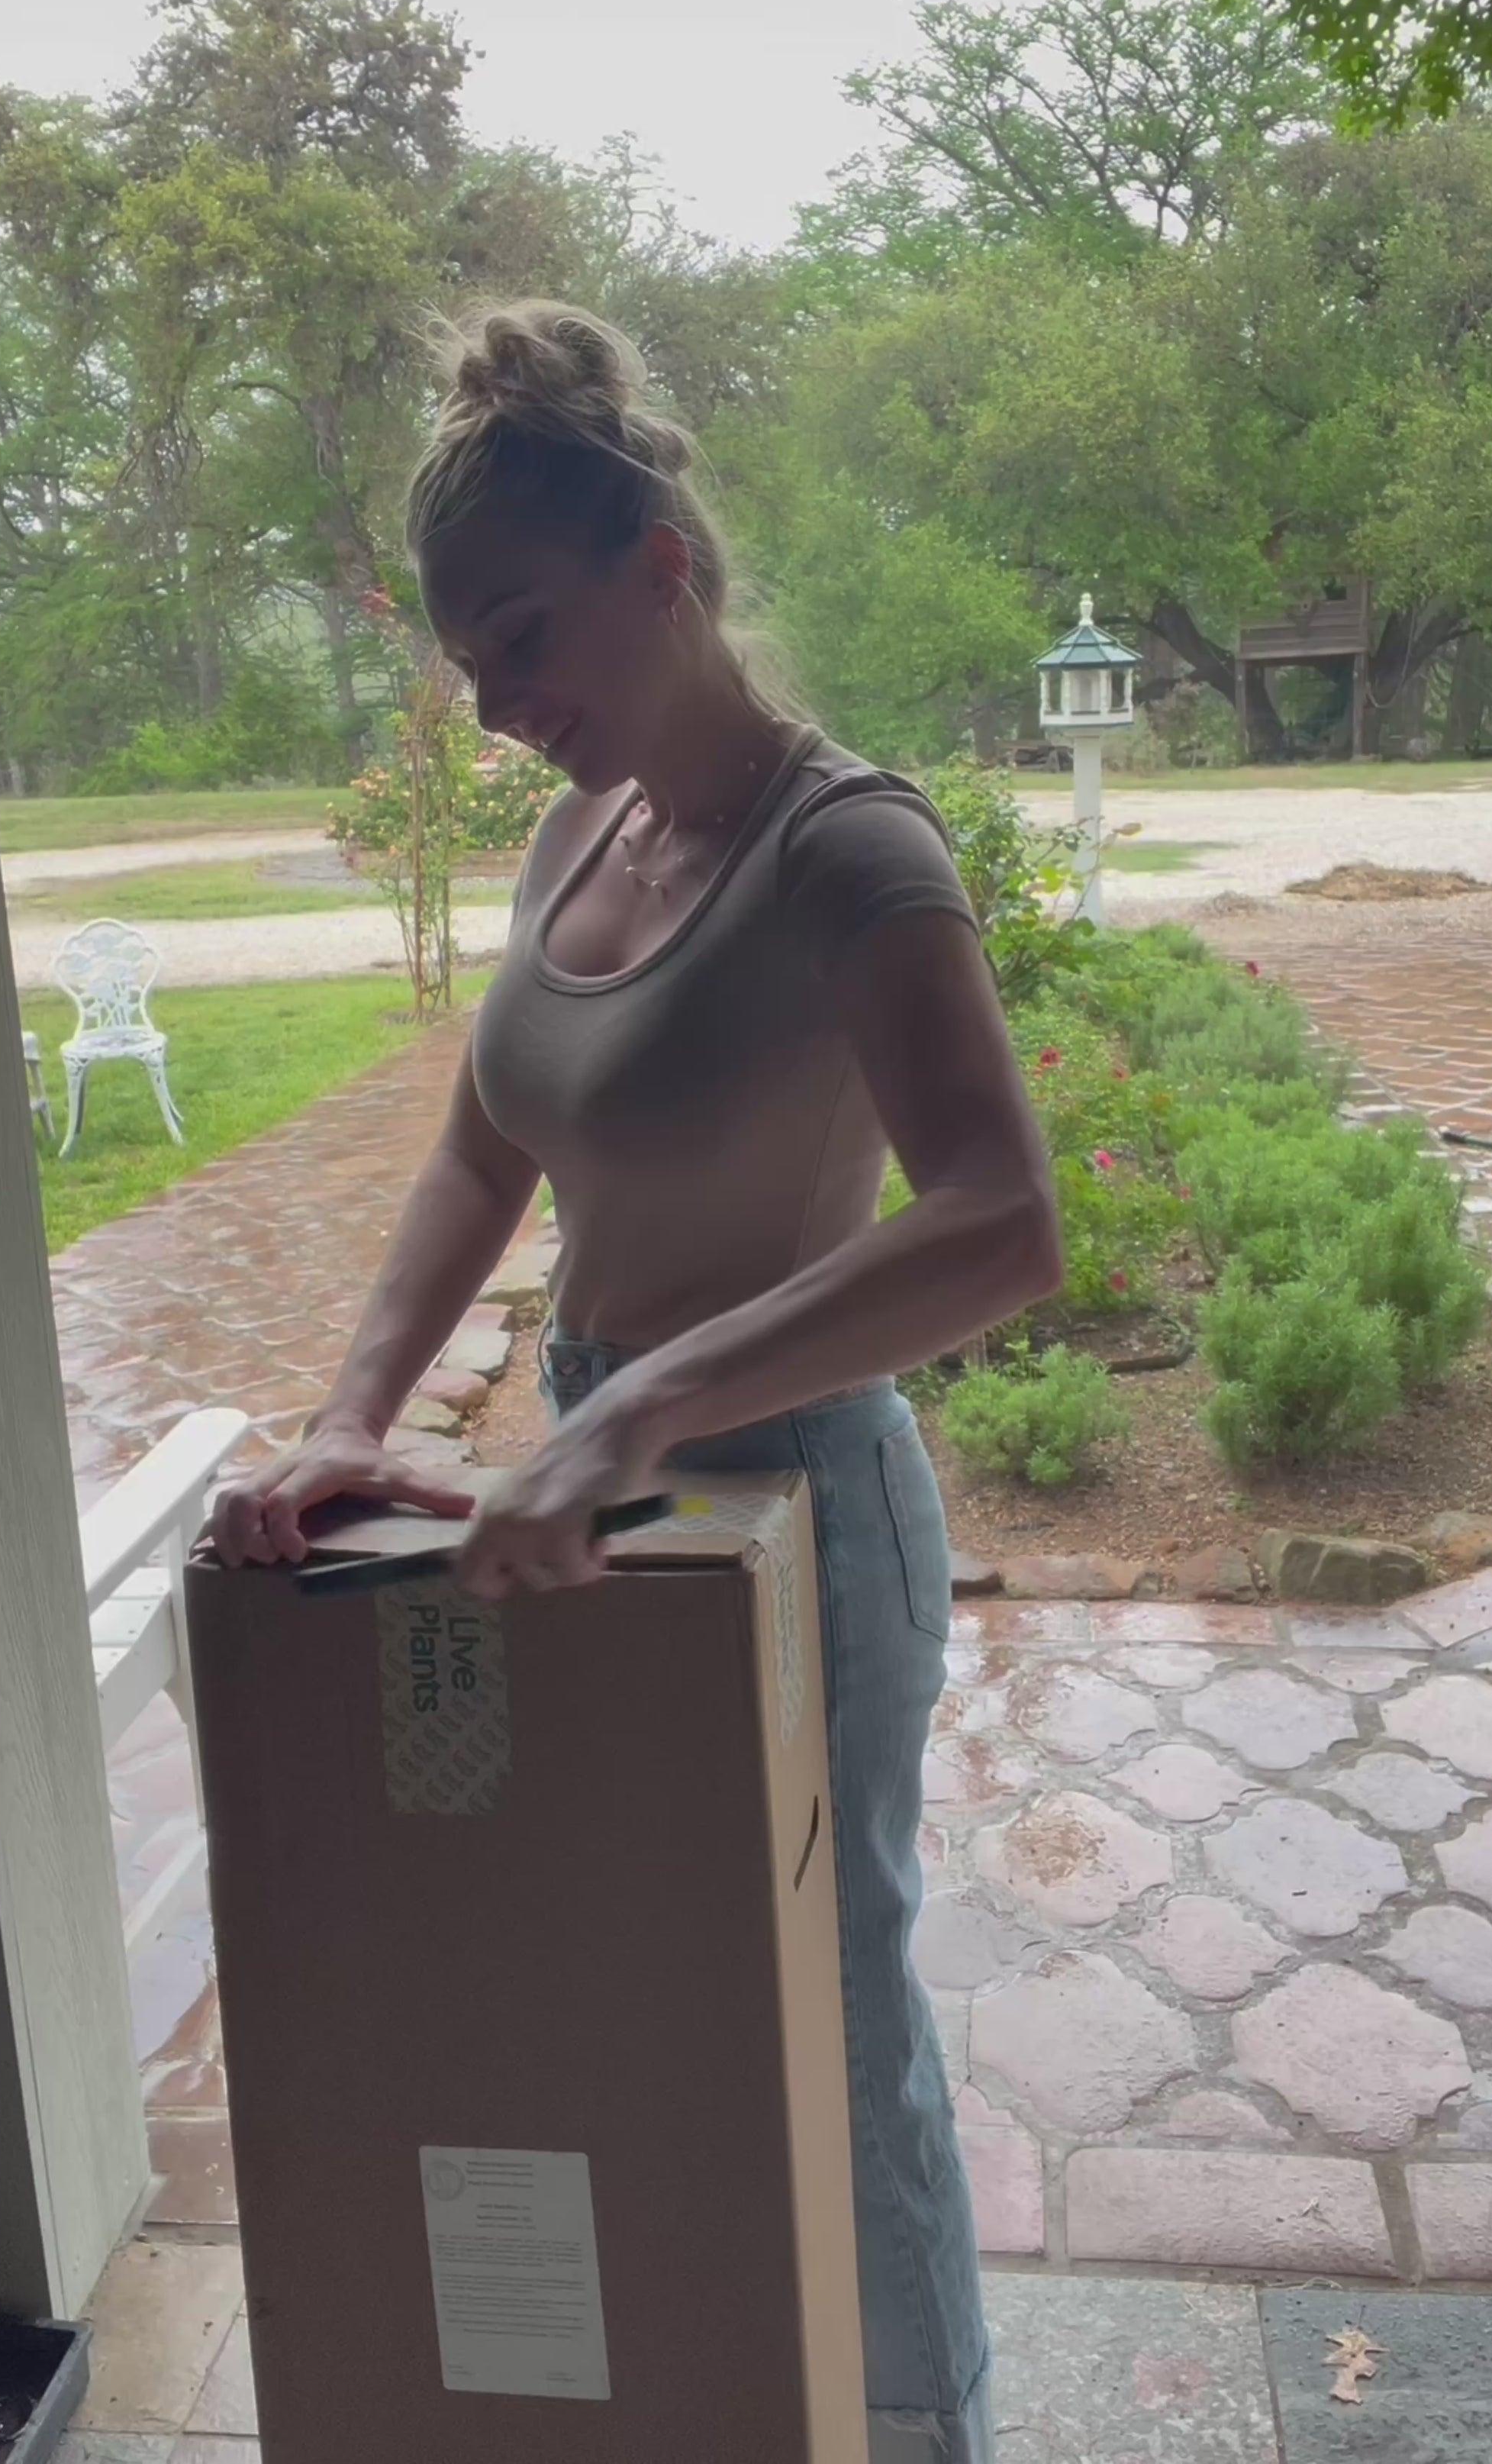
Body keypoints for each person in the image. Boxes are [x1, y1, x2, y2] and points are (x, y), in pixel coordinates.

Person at [211, 301, 1062, 2464]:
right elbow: (480, 1145)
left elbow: (1000, 1220)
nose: (495, 703)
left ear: (661, 565)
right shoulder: (577, 840)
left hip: (799, 1505)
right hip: (631, 1485)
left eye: (519, 634)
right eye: (465, 662)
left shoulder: (847, 847)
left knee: (833, 2014)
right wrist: (356, 1413)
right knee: (661, 1989)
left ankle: (920, 2431)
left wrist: (633, 1404)